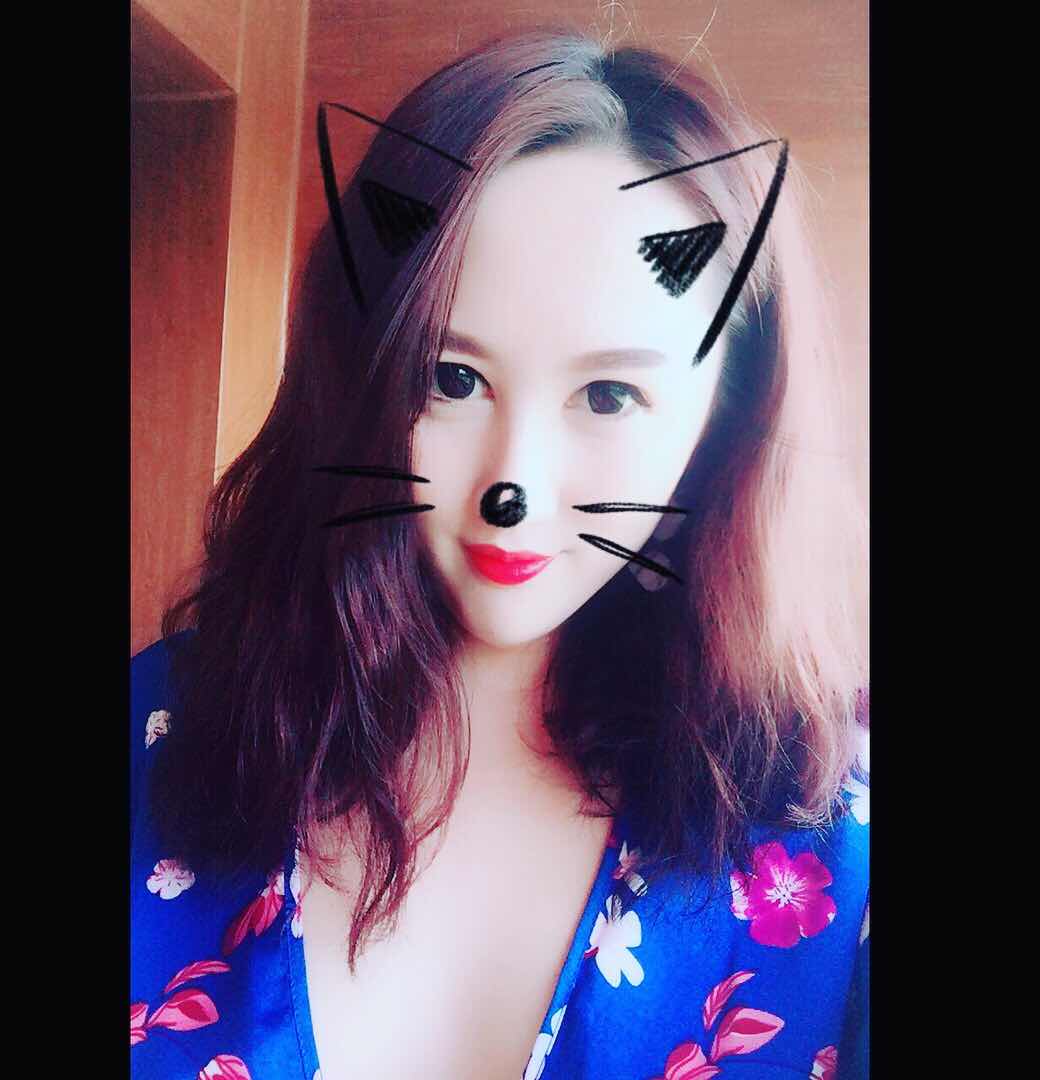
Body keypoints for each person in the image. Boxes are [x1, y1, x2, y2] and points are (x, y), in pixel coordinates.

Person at [130, 24, 869, 1080]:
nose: (511, 487)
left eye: (608, 395)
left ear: (723, 421)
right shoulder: (159, 734)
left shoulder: (834, 835)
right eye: (453, 379)